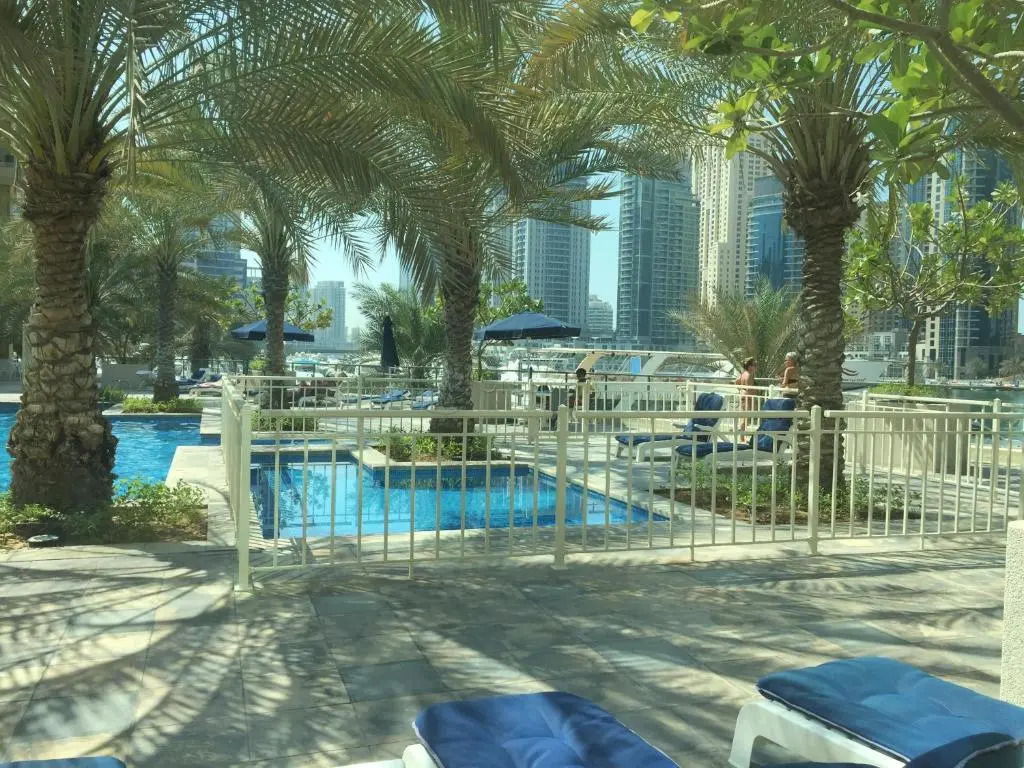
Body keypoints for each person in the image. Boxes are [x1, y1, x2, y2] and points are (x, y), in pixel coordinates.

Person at [735, 357, 756, 429]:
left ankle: (741, 433)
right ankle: (741, 433)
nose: (755, 367)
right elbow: (749, 388)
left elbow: (737, 382)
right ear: (749, 366)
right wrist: (755, 391)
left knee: (744, 416)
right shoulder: (749, 375)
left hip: (742, 395)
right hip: (747, 397)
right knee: (746, 417)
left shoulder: (743, 373)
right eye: (754, 365)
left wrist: (741, 390)